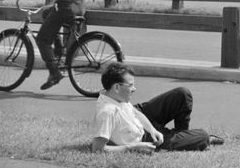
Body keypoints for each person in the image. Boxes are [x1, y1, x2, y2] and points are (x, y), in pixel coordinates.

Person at [91, 62, 224, 153]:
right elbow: (97, 149)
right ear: (116, 87)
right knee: (203, 135)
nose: (134, 89)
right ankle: (187, 140)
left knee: (182, 93)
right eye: (130, 85)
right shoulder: (107, 112)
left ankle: (182, 137)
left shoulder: (117, 97)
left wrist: (153, 129)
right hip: (143, 139)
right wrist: (133, 147)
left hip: (142, 122)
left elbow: (136, 113)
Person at [18, 0, 87, 91]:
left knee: (42, 39)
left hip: (66, 8)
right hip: (81, 6)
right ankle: (58, 50)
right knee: (46, 12)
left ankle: (54, 72)